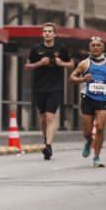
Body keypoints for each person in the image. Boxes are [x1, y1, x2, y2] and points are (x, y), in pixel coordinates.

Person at [69, 37, 106, 168]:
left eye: (98, 45)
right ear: (89, 48)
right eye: (93, 45)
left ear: (103, 48)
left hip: (103, 99)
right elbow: (71, 77)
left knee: (100, 127)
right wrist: (82, 80)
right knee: (87, 131)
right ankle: (88, 141)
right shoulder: (84, 64)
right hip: (88, 98)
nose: (96, 47)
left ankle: (97, 157)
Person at [25, 23, 74, 160]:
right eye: (45, 31)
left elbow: (71, 64)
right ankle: (46, 139)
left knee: (50, 117)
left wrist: (61, 63)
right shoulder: (36, 49)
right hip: (39, 88)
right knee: (43, 118)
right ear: (42, 34)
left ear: (54, 34)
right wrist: (39, 63)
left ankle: (48, 146)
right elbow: (27, 66)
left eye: (50, 31)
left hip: (56, 88)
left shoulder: (61, 48)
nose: (47, 33)